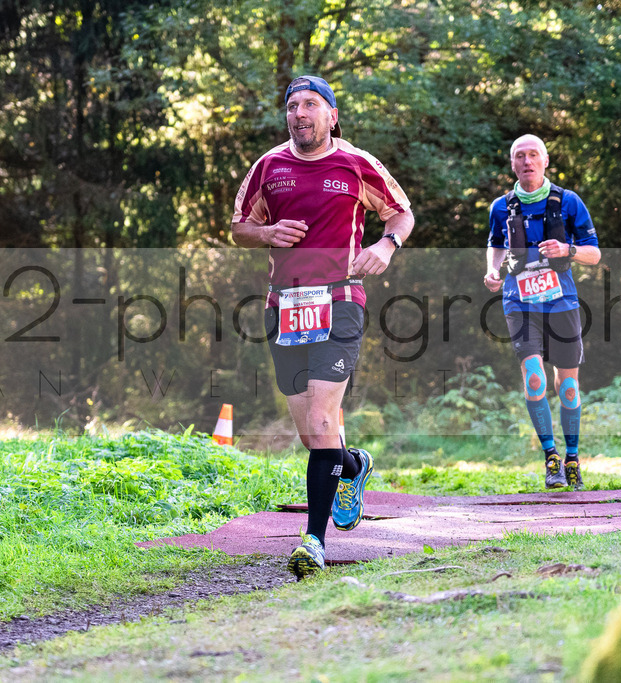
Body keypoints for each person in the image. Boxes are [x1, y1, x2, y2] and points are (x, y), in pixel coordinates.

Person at [232, 75, 414, 579]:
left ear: (332, 115)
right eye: (293, 105)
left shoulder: (356, 163)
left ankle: (313, 540)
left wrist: (385, 246)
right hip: (284, 306)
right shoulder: (268, 166)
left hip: (340, 299)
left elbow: (401, 214)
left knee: (319, 419)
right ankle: (353, 466)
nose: (300, 113)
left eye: (311, 104)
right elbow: (240, 228)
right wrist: (267, 232)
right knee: (313, 435)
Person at [484, 134, 600, 490]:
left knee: (568, 387)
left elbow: (594, 254)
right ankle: (551, 457)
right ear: (512, 163)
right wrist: (492, 270)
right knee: (534, 378)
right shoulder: (501, 207)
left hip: (561, 302)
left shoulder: (569, 202)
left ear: (546, 160)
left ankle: (572, 458)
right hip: (519, 302)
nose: (527, 161)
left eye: (534, 154)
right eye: (520, 156)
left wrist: (568, 249)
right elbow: (495, 244)